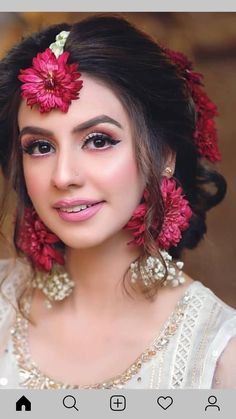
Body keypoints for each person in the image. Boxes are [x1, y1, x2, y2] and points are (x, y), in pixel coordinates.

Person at [0, 14, 235, 390]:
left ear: (164, 156)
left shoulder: (218, 358)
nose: (63, 176)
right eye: (40, 146)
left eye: (98, 140)